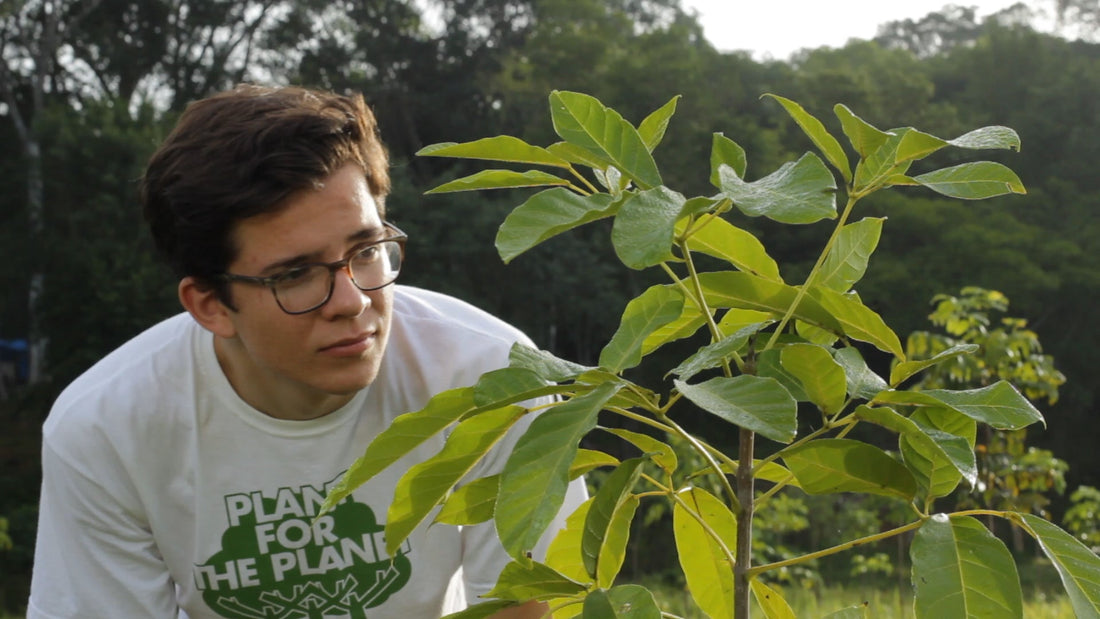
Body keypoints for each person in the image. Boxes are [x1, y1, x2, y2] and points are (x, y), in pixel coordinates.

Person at [28, 84, 585, 618]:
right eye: (295, 274)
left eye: (366, 250)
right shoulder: (106, 429)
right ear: (210, 305)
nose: (351, 300)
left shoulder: (496, 378)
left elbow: (533, 607)